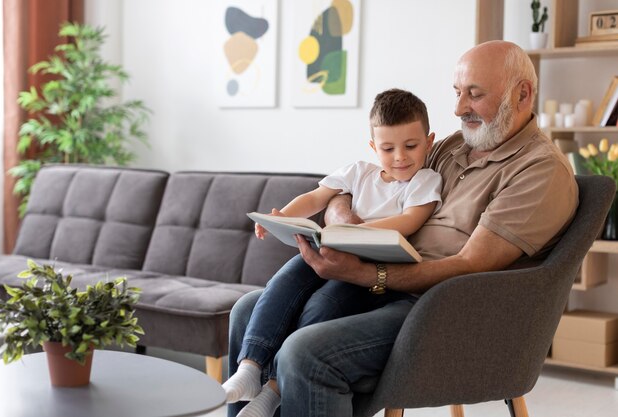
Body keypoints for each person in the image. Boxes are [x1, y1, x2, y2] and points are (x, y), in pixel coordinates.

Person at [227, 40, 579, 417]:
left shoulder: (540, 171)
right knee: (247, 310)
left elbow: (470, 264)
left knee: (304, 351)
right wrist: (343, 220)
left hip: (443, 310)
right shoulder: (457, 145)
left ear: (522, 93)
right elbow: (367, 183)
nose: (459, 108)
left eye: (474, 95)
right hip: (387, 284)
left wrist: (367, 273)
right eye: (458, 93)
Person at [223, 88, 442, 417]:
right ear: (373, 147)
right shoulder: (359, 172)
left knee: (322, 306)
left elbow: (410, 221)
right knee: (282, 283)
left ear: (429, 140)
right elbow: (316, 197)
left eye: (411, 146)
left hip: (363, 275)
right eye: (387, 148)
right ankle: (251, 367)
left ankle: (273, 391)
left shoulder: (425, 180)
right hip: (332, 250)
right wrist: (283, 215)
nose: (400, 157)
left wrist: (354, 233)